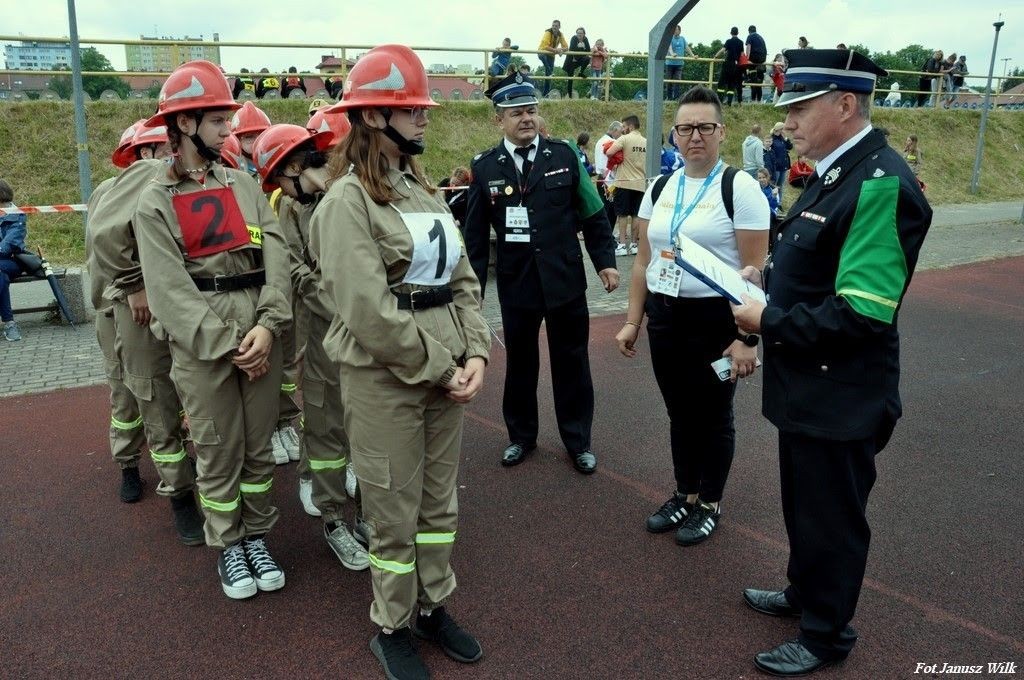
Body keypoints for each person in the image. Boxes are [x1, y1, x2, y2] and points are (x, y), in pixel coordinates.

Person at [731, 48, 932, 676]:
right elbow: (818, 264)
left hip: (841, 393)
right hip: (810, 385)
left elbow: (863, 313)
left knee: (832, 519)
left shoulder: (879, 183)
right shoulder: (836, 170)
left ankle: (825, 636)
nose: (785, 121)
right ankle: (803, 591)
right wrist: (768, 277)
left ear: (845, 105)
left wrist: (769, 320)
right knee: (803, 504)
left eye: (798, 106)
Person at [308, 44, 490, 680]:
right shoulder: (344, 203)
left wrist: (477, 353)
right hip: (385, 375)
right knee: (391, 507)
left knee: (439, 505)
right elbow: (366, 311)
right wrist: (442, 365)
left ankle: (434, 605)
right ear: (372, 119)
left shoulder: (423, 192)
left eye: (420, 108)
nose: (424, 118)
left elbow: (461, 277)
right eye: (409, 109)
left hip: (444, 364)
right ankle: (391, 624)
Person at [132, 59, 293, 600]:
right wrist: (228, 345)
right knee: (218, 446)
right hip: (207, 342)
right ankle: (228, 543)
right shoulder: (154, 199)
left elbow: (276, 251)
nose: (230, 130)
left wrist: (270, 324)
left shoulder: (243, 184)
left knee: (257, 447)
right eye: (219, 121)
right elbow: (168, 287)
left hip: (259, 328)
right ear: (185, 124)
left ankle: (259, 535)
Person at [615, 85, 768, 546]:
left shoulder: (738, 187)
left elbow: (756, 276)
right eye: (685, 128)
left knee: (714, 414)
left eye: (704, 127)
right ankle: (684, 492)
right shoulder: (660, 187)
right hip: (666, 316)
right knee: (679, 413)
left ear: (721, 131)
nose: (694, 136)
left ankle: (709, 502)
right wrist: (632, 320)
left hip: (717, 323)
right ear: (674, 136)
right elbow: (643, 261)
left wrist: (748, 339)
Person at [464, 72, 618, 474]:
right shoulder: (484, 167)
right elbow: (476, 238)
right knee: (520, 364)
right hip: (517, 285)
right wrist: (472, 292)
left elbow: (594, 212)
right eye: (516, 113)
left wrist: (605, 261)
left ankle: (577, 440)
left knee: (572, 364)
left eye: (531, 110)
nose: (526, 118)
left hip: (565, 281)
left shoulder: (564, 156)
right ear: (499, 119)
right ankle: (521, 436)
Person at [251, 121, 370, 572]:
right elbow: (296, 270)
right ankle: (334, 520)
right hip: (326, 332)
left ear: (295, 167)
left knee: (369, 428)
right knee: (325, 429)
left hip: (372, 331)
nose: (281, 189)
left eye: (280, 179)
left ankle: (369, 516)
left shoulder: (359, 190)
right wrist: (344, 307)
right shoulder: (293, 210)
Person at [88, 121, 207, 544]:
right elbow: (105, 244)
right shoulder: (134, 182)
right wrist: (135, 285)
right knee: (144, 395)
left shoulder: (193, 180)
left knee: (179, 391)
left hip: (177, 303)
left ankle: (182, 469)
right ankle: (173, 491)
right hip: (134, 309)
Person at [605, 114, 648, 255]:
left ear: (630, 126)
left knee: (622, 215)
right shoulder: (645, 141)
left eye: (624, 126)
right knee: (636, 215)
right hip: (640, 183)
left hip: (624, 182)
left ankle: (623, 245)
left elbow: (609, 152)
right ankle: (634, 244)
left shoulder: (624, 138)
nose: (622, 129)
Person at [0, 179, 27, 341]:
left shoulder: (17, 215)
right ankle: (9, 323)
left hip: (13, 261)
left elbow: (6, 247)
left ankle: (10, 324)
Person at [229, 101, 272, 178]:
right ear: (237, 140)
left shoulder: (274, 162)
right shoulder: (232, 168)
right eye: (249, 136)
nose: (257, 140)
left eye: (262, 135)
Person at [594, 120, 622, 226]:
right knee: (611, 209)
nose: (620, 135)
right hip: (609, 179)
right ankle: (608, 234)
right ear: (615, 130)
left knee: (605, 207)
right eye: (620, 132)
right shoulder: (612, 142)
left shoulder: (600, 141)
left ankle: (604, 233)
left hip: (601, 178)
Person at [715, 27, 745, 106]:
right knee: (731, 85)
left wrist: (715, 56)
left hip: (728, 64)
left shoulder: (729, 41)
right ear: (738, 33)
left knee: (721, 83)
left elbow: (723, 50)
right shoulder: (741, 42)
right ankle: (729, 103)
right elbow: (742, 54)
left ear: (731, 33)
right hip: (736, 66)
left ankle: (719, 102)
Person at [537, 19, 567, 97]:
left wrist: (560, 50)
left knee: (548, 77)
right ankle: (550, 71)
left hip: (551, 55)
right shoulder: (548, 32)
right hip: (542, 52)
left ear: (559, 27)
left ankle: (545, 94)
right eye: (553, 25)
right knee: (548, 69)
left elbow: (566, 47)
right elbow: (545, 46)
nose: (554, 27)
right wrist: (556, 50)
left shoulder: (560, 35)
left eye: (556, 26)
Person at [665, 25, 695, 101]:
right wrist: (672, 54)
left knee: (677, 81)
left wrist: (693, 56)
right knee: (669, 82)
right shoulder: (670, 38)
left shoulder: (682, 39)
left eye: (676, 30)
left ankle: (676, 98)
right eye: (674, 30)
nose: (675, 31)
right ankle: (669, 98)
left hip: (679, 64)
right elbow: (669, 48)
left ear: (679, 31)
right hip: (670, 64)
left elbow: (687, 47)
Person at [766, 121, 793, 202]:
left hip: (783, 167)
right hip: (776, 167)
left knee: (780, 185)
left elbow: (790, 147)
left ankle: (779, 203)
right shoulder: (772, 139)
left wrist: (786, 138)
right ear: (779, 129)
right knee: (774, 185)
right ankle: (772, 202)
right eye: (783, 129)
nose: (784, 131)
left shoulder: (782, 138)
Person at [564, 27, 590, 100]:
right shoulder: (574, 38)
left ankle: (581, 72)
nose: (579, 34)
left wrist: (581, 48)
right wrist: (581, 47)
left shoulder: (585, 39)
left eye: (581, 33)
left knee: (587, 58)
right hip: (571, 60)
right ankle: (570, 96)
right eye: (578, 33)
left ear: (584, 34)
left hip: (579, 59)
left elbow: (588, 50)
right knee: (570, 78)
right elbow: (572, 48)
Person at [745, 26, 768, 103]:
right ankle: (759, 101)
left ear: (749, 31)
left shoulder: (750, 36)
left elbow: (748, 47)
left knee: (753, 82)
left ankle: (753, 100)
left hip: (754, 60)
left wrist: (747, 59)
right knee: (759, 85)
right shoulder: (761, 37)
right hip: (762, 61)